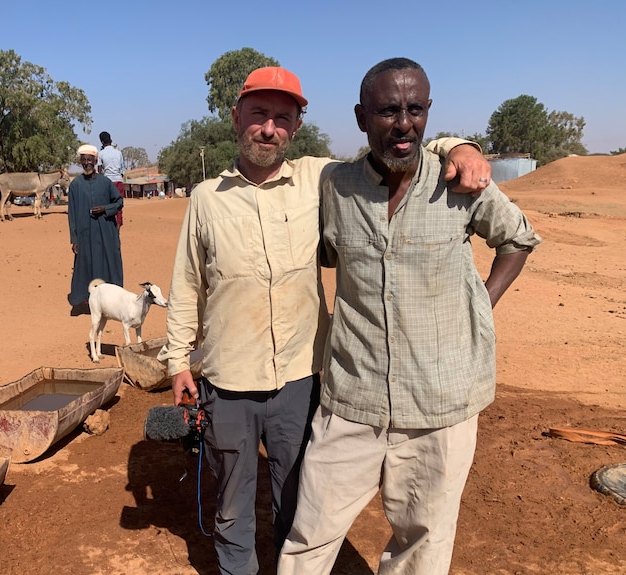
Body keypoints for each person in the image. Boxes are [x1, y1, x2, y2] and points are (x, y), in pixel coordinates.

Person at [158, 66, 492, 575]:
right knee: (231, 505)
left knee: (300, 505)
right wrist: (179, 361)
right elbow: (186, 286)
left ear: (294, 128)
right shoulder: (205, 199)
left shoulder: (322, 179)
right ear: (236, 118)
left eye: (282, 119)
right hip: (227, 379)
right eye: (259, 115)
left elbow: (395, 145)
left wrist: (456, 145)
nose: (269, 129)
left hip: (299, 378)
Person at [278, 58, 541, 575]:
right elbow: (323, 255)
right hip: (353, 399)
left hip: (440, 403)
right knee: (308, 536)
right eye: (388, 111)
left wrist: (480, 308)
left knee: (421, 548)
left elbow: (518, 238)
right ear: (361, 117)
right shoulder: (335, 187)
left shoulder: (458, 182)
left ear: (428, 113)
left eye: (415, 110)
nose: (403, 124)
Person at [67, 144, 124, 316]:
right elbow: (71, 214)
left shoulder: (105, 183)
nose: (87, 163)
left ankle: (112, 301)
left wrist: (105, 209)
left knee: (108, 263)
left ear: (96, 161)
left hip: (105, 232)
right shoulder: (75, 185)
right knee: (86, 264)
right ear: (80, 162)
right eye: (83, 160)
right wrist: (74, 239)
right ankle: (86, 300)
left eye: (90, 160)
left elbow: (119, 202)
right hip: (85, 234)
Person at [98, 131, 126, 228]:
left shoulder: (101, 153)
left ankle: (109, 225)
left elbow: (99, 170)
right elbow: (123, 169)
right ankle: (118, 224)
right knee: (118, 204)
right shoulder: (118, 153)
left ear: (102, 142)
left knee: (107, 204)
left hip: (107, 181)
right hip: (119, 181)